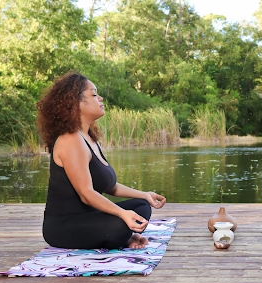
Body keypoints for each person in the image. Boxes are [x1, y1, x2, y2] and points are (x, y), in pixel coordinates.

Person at [37, 72, 166, 250]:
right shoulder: (70, 140)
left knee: (141, 206)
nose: (101, 98)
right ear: (76, 103)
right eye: (94, 94)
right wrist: (122, 214)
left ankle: (122, 236)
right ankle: (120, 236)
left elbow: (110, 186)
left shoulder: (89, 138)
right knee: (120, 224)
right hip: (64, 226)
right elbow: (86, 193)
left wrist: (144, 194)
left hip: (89, 217)